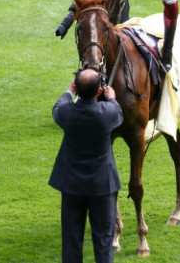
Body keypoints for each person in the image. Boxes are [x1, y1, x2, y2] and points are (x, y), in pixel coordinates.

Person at [48, 69, 123, 263]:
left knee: (72, 241)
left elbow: (59, 105)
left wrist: (68, 91)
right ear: (99, 91)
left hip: (72, 186)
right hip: (103, 186)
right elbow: (118, 113)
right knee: (104, 242)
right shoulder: (108, 112)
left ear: (76, 88)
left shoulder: (66, 113)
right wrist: (112, 97)